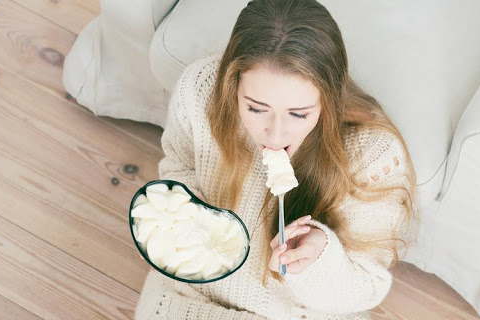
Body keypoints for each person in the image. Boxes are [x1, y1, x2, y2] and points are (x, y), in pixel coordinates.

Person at [135, 0, 418, 319]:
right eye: (256, 108)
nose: (275, 134)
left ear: (328, 100)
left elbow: (365, 287)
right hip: (192, 297)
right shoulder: (199, 90)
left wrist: (318, 259)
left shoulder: (372, 154)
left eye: (298, 114)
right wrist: (185, 220)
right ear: (233, 83)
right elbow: (179, 165)